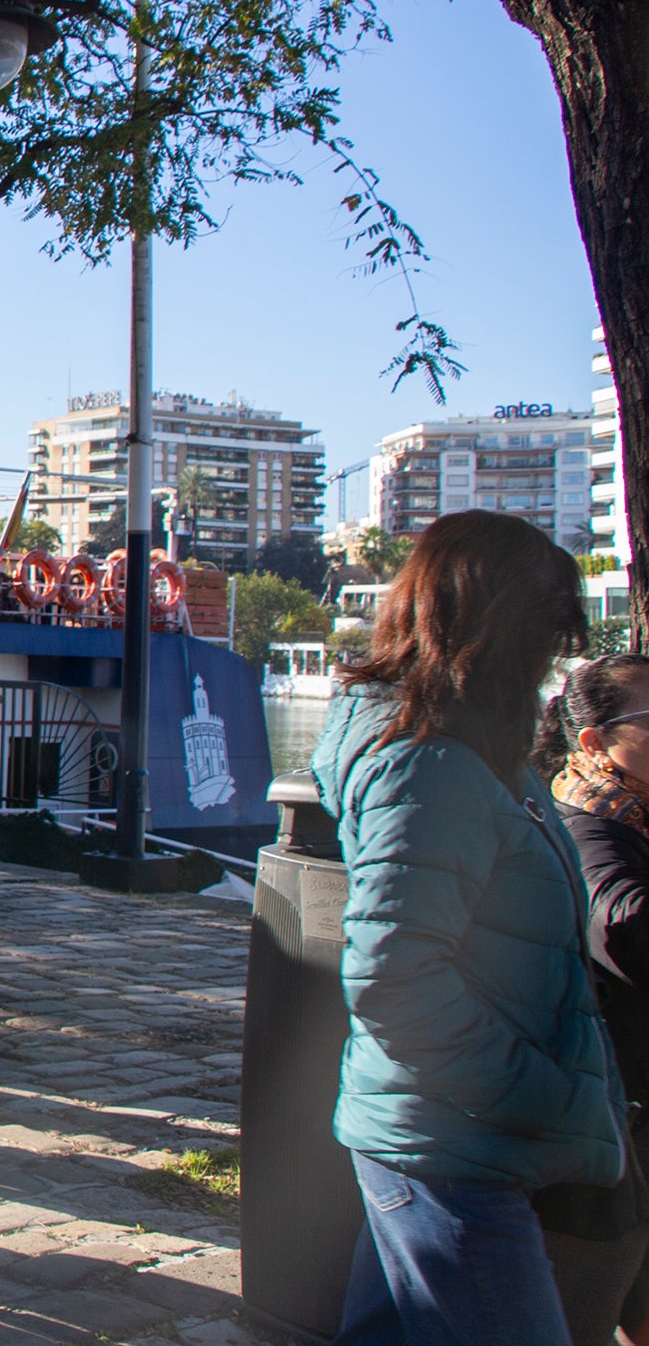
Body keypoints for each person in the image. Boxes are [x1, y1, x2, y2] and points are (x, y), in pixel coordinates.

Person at [314, 510, 623, 1345]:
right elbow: (394, 978)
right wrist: (540, 1094)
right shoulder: (430, 763)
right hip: (453, 1146)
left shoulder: (482, 752)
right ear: (501, 631)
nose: (555, 664)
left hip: (446, 1135)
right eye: (549, 638)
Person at [532, 654, 649, 1346]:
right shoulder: (587, 824)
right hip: (615, 1119)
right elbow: (624, 929)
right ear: (594, 741)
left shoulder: (633, 816)